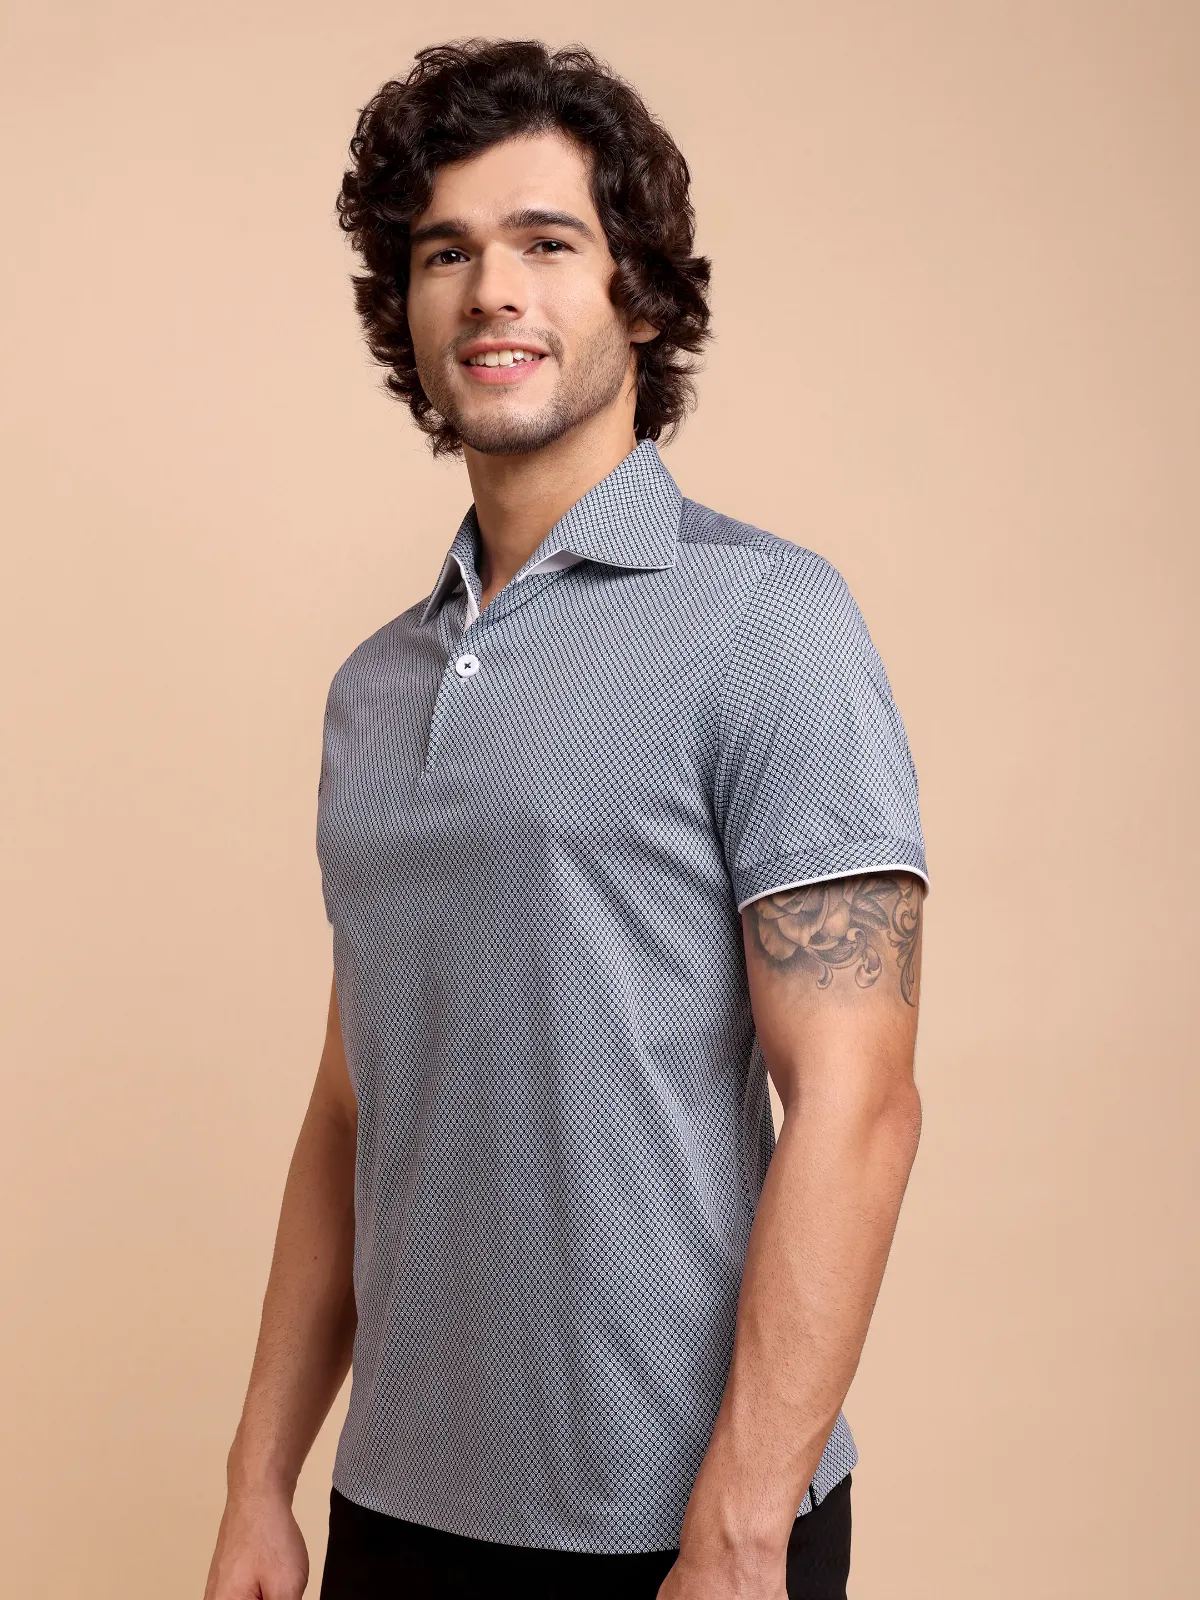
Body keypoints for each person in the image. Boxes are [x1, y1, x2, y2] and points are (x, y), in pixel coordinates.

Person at [203, 37, 929, 1600]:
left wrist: (742, 1525)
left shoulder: (768, 621)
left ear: (639, 295)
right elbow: (351, 1108)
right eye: (445, 252)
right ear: (405, 309)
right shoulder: (370, 690)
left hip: (677, 1526)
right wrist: (261, 1477)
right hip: (397, 1509)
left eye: (546, 242)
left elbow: (858, 1101)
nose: (491, 292)